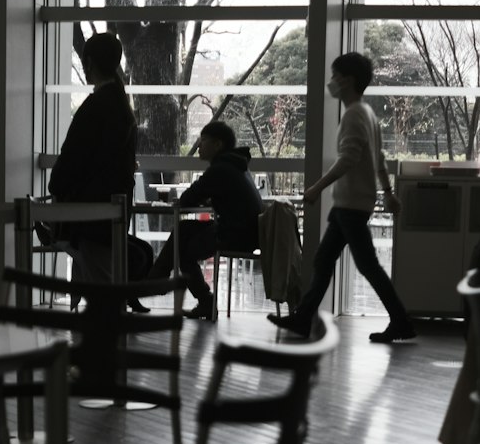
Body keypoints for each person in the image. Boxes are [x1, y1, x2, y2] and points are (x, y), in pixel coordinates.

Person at [269, 51, 414, 344]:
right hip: (350, 204)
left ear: (348, 80)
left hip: (351, 204)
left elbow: (349, 159)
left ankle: (401, 322)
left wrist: (316, 188)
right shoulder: (367, 113)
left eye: (335, 76)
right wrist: (387, 193)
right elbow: (379, 159)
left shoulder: (354, 115)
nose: (331, 82)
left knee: (366, 265)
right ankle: (303, 318)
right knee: (324, 261)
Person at [148, 120, 263, 319]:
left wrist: (204, 195)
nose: (198, 146)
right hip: (246, 232)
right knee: (184, 230)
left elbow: (187, 199)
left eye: (203, 141)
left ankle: (162, 282)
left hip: (234, 235)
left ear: (218, 145)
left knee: (183, 250)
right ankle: (160, 279)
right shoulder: (237, 165)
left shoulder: (220, 169)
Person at [48, 31, 137, 280]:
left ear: (89, 63)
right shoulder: (121, 106)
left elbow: (73, 158)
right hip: (113, 207)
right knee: (104, 279)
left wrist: (56, 187)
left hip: (91, 211)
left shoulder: (96, 106)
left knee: (99, 282)